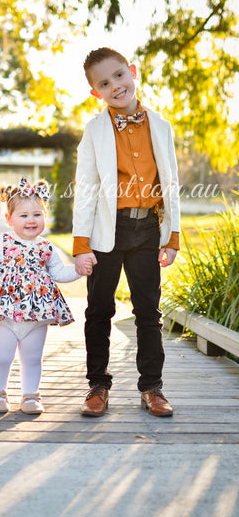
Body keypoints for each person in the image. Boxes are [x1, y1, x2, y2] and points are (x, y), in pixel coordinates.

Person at [73, 47, 180, 418]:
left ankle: (152, 387)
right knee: (99, 309)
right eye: (105, 83)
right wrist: (81, 243)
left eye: (119, 75)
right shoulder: (94, 131)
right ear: (95, 93)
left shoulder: (161, 126)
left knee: (148, 311)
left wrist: (172, 235)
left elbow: (171, 184)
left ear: (132, 71)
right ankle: (97, 386)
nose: (115, 85)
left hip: (148, 227)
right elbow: (85, 188)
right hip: (108, 229)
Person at [0, 177, 91, 414]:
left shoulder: (46, 247)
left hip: (37, 313)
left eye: (37, 214)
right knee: (1, 356)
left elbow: (58, 272)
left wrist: (78, 270)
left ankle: (30, 396)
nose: (31, 220)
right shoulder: (0, 242)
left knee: (32, 358)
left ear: (45, 216)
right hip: (2, 311)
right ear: (9, 219)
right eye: (23, 216)